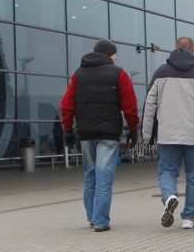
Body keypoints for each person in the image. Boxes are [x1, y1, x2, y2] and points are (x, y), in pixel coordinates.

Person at [141, 36, 194, 230]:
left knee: (167, 171)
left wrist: (147, 135)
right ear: (193, 50)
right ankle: (188, 218)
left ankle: (170, 196)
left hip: (167, 132)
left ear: (175, 48)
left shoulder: (160, 72)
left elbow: (149, 105)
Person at [60, 39, 140, 233]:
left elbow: (67, 105)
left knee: (90, 176)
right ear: (107, 54)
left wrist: (67, 130)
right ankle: (101, 222)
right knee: (104, 177)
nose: (116, 57)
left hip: (86, 134)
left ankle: (92, 217)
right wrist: (133, 128)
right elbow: (130, 104)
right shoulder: (119, 73)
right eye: (114, 54)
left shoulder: (79, 74)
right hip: (108, 134)